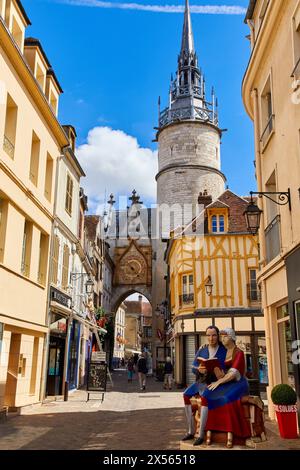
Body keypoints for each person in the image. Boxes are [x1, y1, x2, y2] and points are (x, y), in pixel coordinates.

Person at [195, 327, 251, 447]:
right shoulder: (224, 351)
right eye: (221, 336)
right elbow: (223, 372)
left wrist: (219, 381)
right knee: (208, 395)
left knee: (226, 399)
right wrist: (215, 371)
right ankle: (205, 432)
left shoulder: (238, 352)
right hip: (225, 381)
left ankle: (231, 431)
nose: (222, 339)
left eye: (225, 336)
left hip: (238, 383)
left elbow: (233, 374)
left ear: (231, 338)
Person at [182, 326, 227, 442]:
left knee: (205, 397)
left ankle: (201, 434)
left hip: (216, 383)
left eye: (214, 335)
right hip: (201, 381)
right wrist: (199, 370)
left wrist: (222, 373)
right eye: (208, 335)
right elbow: (193, 368)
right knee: (186, 395)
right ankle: (190, 431)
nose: (211, 338)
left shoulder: (224, 350)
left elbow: (229, 369)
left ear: (218, 336)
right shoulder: (202, 350)